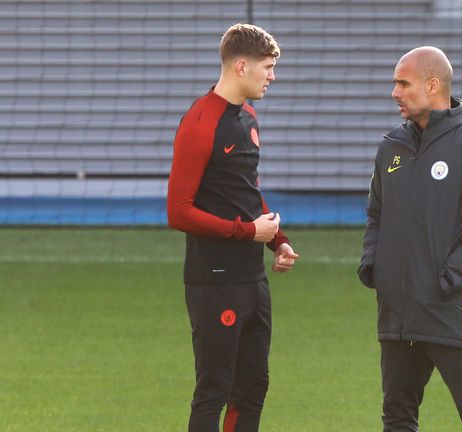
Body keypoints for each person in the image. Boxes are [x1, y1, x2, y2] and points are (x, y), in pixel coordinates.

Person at [358, 46, 462, 431]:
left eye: (402, 83)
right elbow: (376, 214)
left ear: (431, 85)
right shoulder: (390, 146)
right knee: (397, 418)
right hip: (398, 316)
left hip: (451, 313)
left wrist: (447, 279)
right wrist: (374, 267)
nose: (394, 92)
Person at [167, 23, 300, 432]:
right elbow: (178, 211)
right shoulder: (200, 122)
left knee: (253, 386)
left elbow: (246, 191)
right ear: (241, 66)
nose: (272, 76)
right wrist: (247, 232)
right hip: (213, 282)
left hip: (252, 279)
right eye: (267, 67)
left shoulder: (248, 117)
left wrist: (276, 239)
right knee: (213, 390)